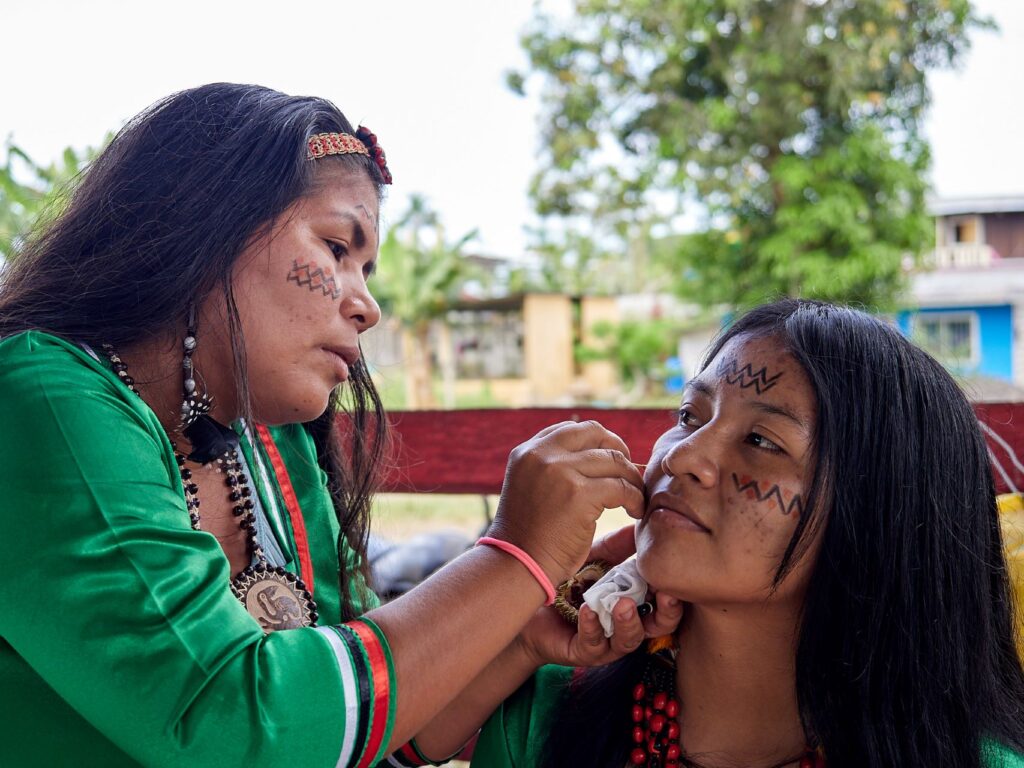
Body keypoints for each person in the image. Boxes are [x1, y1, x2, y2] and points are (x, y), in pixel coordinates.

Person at [0, 83, 677, 766]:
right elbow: (236, 725)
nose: (368, 305)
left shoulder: (271, 444)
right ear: (205, 229)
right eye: (335, 248)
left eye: (368, 268)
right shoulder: (39, 398)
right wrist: (512, 554)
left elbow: (381, 722)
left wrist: (526, 627)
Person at [471, 299, 1024, 768]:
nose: (684, 455)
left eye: (761, 441)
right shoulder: (539, 720)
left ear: (879, 518)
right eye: (690, 415)